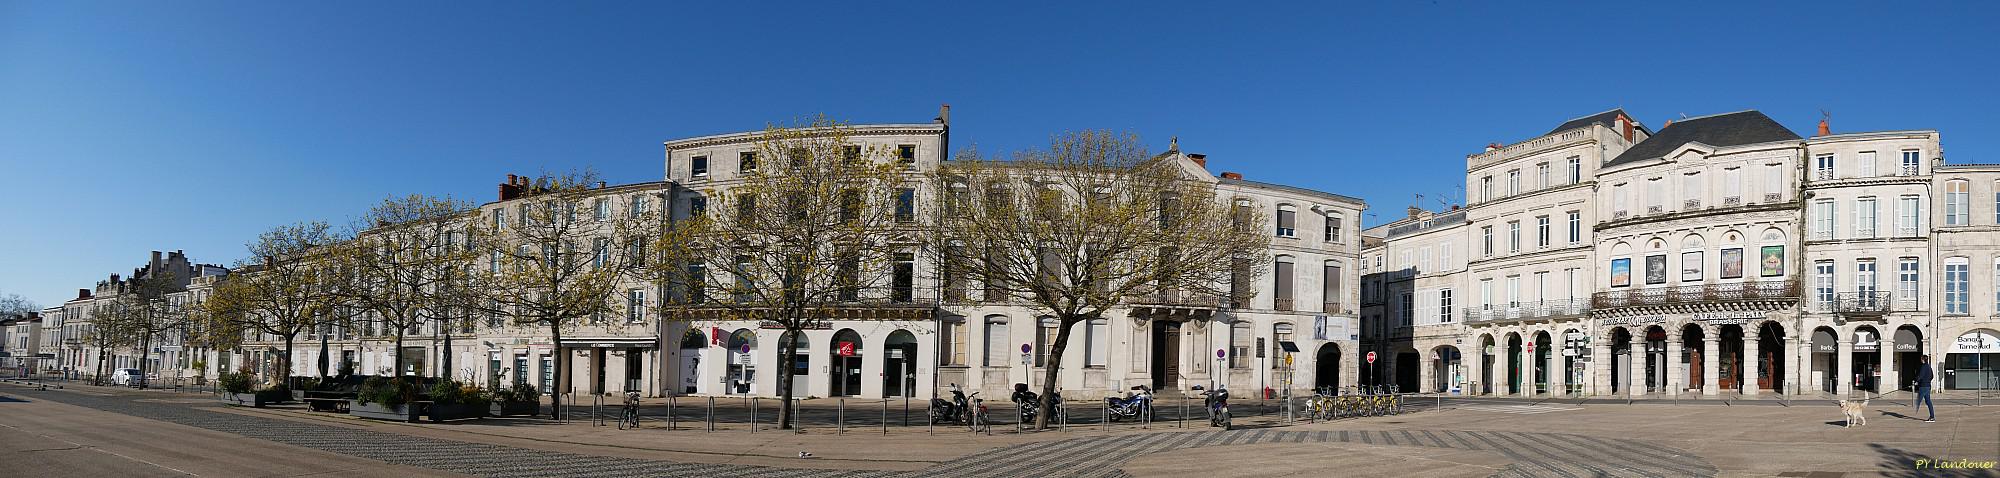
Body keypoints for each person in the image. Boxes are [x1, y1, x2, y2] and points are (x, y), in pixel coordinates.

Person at [1914, 355, 1936, 423]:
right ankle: (1932, 417)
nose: (1921, 359)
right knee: (1928, 401)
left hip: (1923, 386)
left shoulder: (1923, 366)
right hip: (1928, 386)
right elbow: (1932, 376)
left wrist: (1916, 381)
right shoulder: (1929, 366)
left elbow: (1921, 375)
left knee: (1918, 400)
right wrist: (1927, 381)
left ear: (1923, 359)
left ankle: (1914, 412)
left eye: (1921, 358)